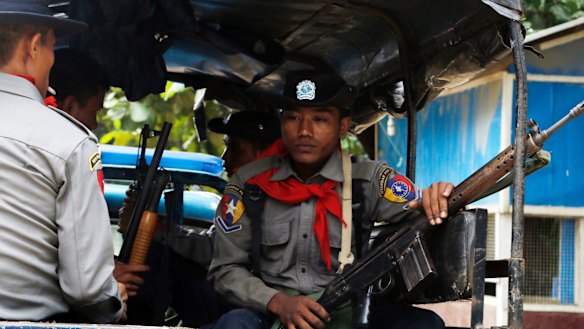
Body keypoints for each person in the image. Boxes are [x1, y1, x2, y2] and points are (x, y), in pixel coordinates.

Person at [206, 70, 453, 329]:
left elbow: (420, 208)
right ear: (282, 123)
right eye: (293, 118)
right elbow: (225, 270)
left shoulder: (368, 179)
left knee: (424, 324)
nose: (304, 131)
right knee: (235, 324)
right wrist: (278, 302)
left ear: (343, 126)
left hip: (345, 316)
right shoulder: (249, 183)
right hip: (272, 317)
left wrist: (436, 198)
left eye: (320, 119)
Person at [0, 0, 126, 323]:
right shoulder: (69, 141)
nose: (52, 61)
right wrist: (117, 301)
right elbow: (88, 290)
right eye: (53, 48)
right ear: (34, 46)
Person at [118, 109, 281, 327]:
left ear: (262, 154)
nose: (225, 158)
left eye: (235, 149)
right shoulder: (239, 196)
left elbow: (212, 251)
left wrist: (157, 230)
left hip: (257, 305)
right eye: (226, 146)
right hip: (231, 296)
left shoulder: (277, 197)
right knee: (156, 255)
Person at [49, 47, 151, 298]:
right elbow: (72, 251)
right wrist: (104, 279)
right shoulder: (78, 149)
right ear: (70, 105)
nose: (94, 124)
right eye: (94, 111)